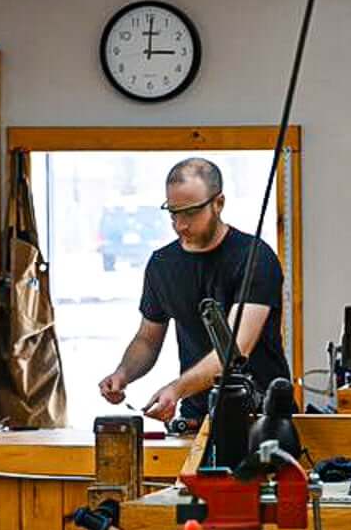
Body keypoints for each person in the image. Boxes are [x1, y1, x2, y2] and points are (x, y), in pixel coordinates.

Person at [99, 158, 290, 430]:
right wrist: (123, 373)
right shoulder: (162, 265)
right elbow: (147, 340)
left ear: (218, 203)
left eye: (190, 213)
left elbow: (235, 349)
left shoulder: (255, 258)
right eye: (173, 213)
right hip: (197, 419)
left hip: (262, 418)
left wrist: (176, 389)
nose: (180, 224)